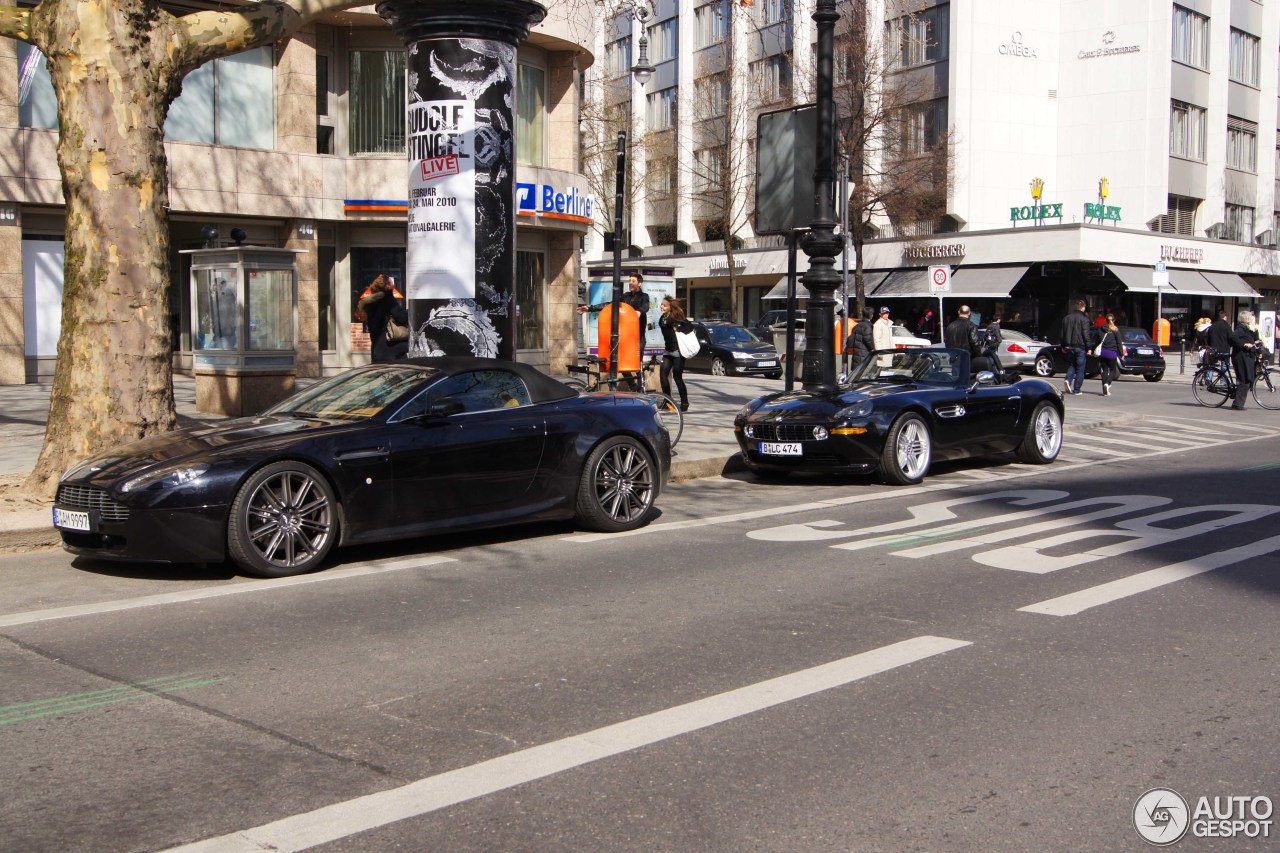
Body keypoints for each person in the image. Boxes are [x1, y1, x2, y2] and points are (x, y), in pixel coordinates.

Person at [579, 272, 651, 363]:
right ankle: (629, 377)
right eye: (629, 281)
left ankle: (639, 376)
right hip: (625, 334)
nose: (631, 283)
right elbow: (610, 304)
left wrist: (639, 311)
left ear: (639, 283)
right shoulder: (625, 296)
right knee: (621, 362)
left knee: (637, 361)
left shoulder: (644, 296)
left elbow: (645, 306)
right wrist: (589, 308)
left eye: (633, 281)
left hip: (638, 335)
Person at [358, 274, 408, 363]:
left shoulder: (371, 303)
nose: (393, 284)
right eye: (392, 282)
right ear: (388, 285)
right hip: (391, 349)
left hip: (377, 350)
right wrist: (408, 312)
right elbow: (402, 318)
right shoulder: (388, 300)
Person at [657, 296, 691, 412]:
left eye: (664, 305)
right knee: (662, 374)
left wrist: (679, 328)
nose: (662, 307)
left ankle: (684, 402)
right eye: (661, 304)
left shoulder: (675, 317)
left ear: (670, 307)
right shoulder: (662, 318)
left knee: (677, 377)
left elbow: (690, 327)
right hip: (668, 350)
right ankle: (667, 401)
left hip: (678, 352)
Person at [1229, 309, 1264, 410]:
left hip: (1247, 357)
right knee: (1245, 379)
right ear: (1247, 319)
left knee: (1248, 378)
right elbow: (1233, 337)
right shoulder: (1241, 328)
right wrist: (1244, 344)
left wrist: (1255, 342)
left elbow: (1248, 339)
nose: (1253, 319)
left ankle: (1238, 402)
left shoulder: (1248, 329)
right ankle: (1238, 404)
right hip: (1241, 357)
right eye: (1251, 317)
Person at [1059, 299, 1091, 396]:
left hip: (1069, 346)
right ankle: (1077, 389)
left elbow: (1062, 334)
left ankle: (1068, 380)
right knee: (1080, 368)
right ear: (1083, 307)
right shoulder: (1084, 319)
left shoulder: (1066, 318)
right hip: (1080, 346)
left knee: (1072, 365)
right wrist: (1089, 347)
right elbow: (1086, 334)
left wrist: (1063, 346)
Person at [1096, 313, 1121, 396]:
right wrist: (1121, 353)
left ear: (1105, 320)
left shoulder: (1101, 329)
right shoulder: (1115, 330)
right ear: (1113, 320)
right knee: (1113, 370)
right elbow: (1119, 343)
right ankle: (1107, 383)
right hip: (1112, 352)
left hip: (1102, 352)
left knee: (1105, 370)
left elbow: (1097, 340)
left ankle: (1104, 388)